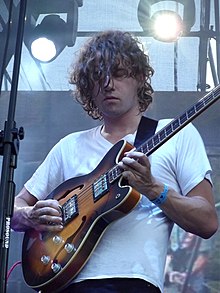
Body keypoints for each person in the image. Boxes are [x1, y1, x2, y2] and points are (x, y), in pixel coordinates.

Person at [11, 30, 218, 293]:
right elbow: (15, 210)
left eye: (119, 74)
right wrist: (28, 215)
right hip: (67, 283)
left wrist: (153, 189)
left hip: (136, 284)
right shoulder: (68, 146)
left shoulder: (176, 135)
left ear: (140, 77)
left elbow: (208, 222)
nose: (108, 84)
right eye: (98, 76)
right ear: (87, 86)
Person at [164, 225, 211, 293]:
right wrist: (169, 271)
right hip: (169, 281)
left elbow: (203, 257)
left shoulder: (203, 225)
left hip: (192, 282)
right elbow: (166, 252)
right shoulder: (172, 223)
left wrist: (188, 274)